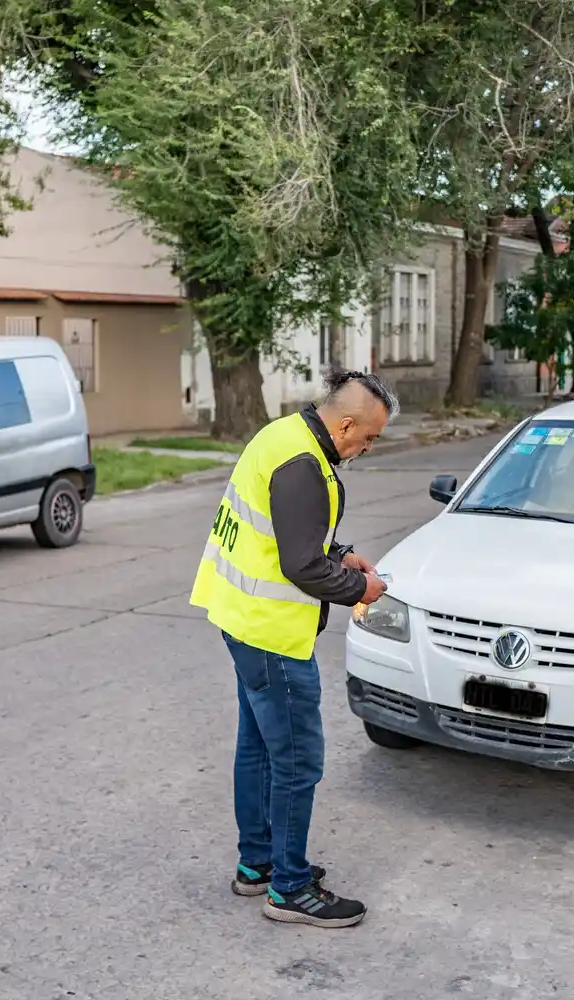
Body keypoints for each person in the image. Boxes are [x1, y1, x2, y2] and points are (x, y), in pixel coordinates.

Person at [190, 369, 396, 929]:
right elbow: (301, 565)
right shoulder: (304, 464)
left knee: (258, 747)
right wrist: (360, 588)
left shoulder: (283, 435)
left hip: (242, 619)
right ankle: (290, 888)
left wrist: (339, 552)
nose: (367, 448)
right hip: (272, 634)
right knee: (298, 761)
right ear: (346, 424)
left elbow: (290, 531)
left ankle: (258, 864)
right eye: (369, 437)